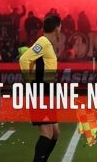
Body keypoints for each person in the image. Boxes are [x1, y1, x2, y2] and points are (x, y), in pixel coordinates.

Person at [19, 13, 62, 162]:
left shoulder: (46, 44)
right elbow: (24, 59)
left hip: (47, 92)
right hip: (40, 92)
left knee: (55, 133)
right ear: (56, 28)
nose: (60, 30)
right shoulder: (43, 42)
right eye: (60, 27)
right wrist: (29, 82)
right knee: (47, 133)